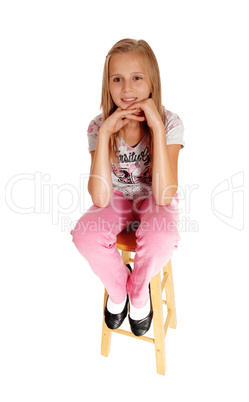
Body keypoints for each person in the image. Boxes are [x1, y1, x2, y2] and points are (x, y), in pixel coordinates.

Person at [71, 38, 185, 336]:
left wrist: (156, 127)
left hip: (154, 200)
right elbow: (99, 197)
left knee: (162, 235)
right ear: (107, 85)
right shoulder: (98, 126)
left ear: (152, 82)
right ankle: (119, 293)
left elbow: (164, 194)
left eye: (136, 78)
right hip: (116, 199)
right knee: (85, 234)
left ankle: (138, 292)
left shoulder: (170, 122)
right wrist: (107, 131)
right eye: (117, 79)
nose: (127, 88)